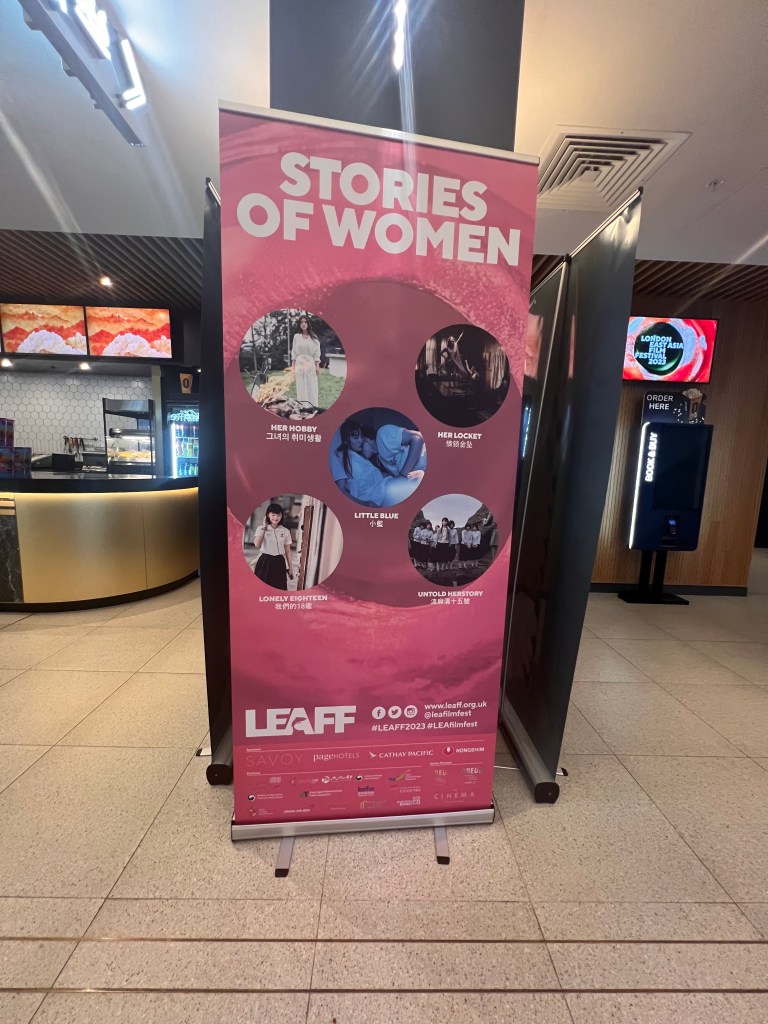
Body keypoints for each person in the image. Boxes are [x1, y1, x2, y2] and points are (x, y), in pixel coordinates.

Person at [331, 420, 386, 507]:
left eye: (361, 436)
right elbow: (341, 491)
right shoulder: (339, 457)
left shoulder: (360, 455)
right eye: (356, 438)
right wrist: (365, 504)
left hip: (383, 491)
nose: (361, 441)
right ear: (346, 440)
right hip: (368, 501)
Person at [251, 503, 293, 589]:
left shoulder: (285, 531)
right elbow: (257, 545)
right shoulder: (261, 528)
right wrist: (264, 527)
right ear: (268, 515)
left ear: (282, 516)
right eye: (273, 515)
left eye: (278, 515)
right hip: (265, 561)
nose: (276, 518)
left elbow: (288, 551)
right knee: (261, 588)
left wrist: (290, 568)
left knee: (279, 588)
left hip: (279, 562)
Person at [291, 315, 321, 407]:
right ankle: (303, 407)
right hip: (299, 363)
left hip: (310, 363)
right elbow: (294, 351)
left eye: (305, 322)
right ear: (299, 324)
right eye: (301, 322)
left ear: (308, 324)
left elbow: (317, 352)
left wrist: (317, 365)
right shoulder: (296, 337)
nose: (303, 324)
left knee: (311, 385)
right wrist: (293, 365)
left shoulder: (313, 338)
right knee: (301, 385)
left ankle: (312, 406)